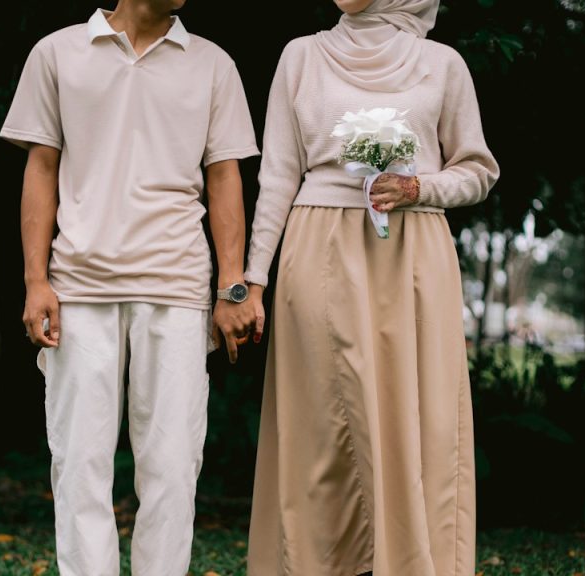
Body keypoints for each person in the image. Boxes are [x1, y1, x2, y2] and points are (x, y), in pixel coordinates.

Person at [0, 1, 260, 574]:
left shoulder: (214, 65)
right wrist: (35, 280)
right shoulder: (57, 53)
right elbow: (41, 167)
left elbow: (225, 177)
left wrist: (232, 286)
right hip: (78, 290)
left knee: (171, 468)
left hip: (177, 286)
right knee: (79, 466)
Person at [243, 1, 499, 574]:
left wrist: (420, 187)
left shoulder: (443, 64)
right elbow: (278, 174)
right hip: (318, 249)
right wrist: (252, 279)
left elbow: (478, 170)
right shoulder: (300, 56)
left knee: (419, 417)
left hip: (413, 253)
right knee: (322, 418)